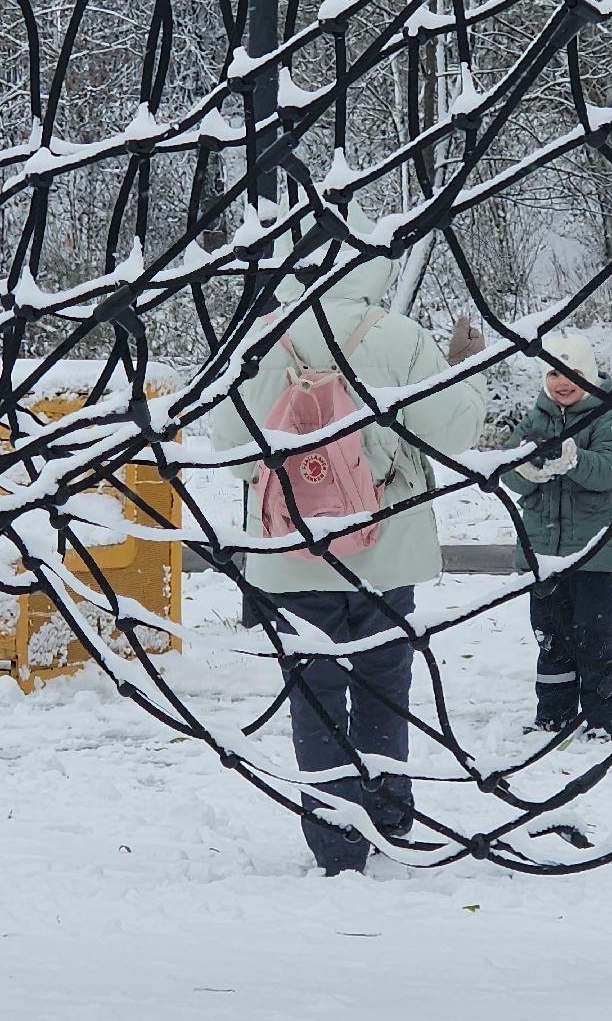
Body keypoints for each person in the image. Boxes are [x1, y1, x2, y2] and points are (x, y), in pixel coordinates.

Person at [210, 207, 486, 875]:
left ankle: (336, 844)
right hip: (384, 554)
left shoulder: (258, 337)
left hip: (289, 556)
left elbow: (229, 446)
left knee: (315, 700)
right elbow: (454, 433)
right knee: (385, 684)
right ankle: (387, 813)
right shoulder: (400, 338)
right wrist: (469, 373)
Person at [502, 333, 612, 741]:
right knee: (550, 638)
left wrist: (572, 458)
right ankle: (553, 715)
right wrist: (527, 468)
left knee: (594, 637)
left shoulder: (605, 417)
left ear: (588, 375)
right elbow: (507, 473)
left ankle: (601, 718)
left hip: (592, 554)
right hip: (543, 554)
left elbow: (611, 469)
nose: (563, 382)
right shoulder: (534, 420)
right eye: (554, 373)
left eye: (573, 373)